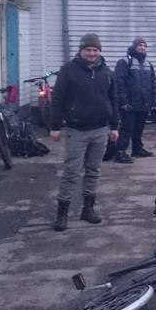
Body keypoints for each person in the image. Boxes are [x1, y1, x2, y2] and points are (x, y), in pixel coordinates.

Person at [48, 33, 120, 232]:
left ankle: (88, 209)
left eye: (95, 50)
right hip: (76, 130)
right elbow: (58, 99)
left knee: (93, 171)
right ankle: (62, 214)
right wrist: (54, 127)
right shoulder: (68, 70)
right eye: (88, 49)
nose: (91, 53)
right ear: (81, 50)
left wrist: (114, 126)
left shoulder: (106, 72)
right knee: (71, 171)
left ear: (99, 51)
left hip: (101, 129)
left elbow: (113, 100)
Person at [113, 37, 156, 164]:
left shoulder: (148, 64)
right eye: (139, 45)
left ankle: (137, 149)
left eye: (144, 46)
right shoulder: (125, 62)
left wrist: (151, 99)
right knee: (127, 128)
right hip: (129, 103)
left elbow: (152, 82)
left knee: (139, 127)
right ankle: (120, 152)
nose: (142, 48)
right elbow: (119, 82)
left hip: (144, 102)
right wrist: (123, 101)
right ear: (134, 47)